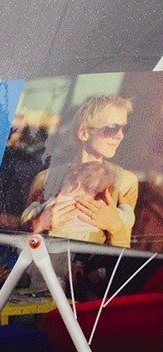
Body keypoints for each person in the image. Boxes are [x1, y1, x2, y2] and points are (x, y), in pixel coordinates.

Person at [21, 95, 138, 248]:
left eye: (124, 128)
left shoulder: (124, 181)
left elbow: (123, 253)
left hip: (88, 268)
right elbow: (20, 240)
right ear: (83, 133)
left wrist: (115, 226)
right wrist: (39, 222)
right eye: (112, 128)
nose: (120, 135)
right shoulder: (45, 178)